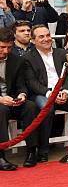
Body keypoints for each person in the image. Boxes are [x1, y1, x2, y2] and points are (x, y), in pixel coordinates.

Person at [23, 24, 68, 161]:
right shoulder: (27, 58)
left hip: (64, 90)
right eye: (41, 37)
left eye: (48, 35)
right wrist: (50, 94)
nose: (46, 39)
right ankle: (43, 150)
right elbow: (31, 82)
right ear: (33, 40)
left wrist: (65, 90)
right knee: (46, 108)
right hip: (43, 93)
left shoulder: (63, 54)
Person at [0, 27, 39, 170]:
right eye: (2, 47)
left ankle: (31, 151)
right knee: (1, 110)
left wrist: (22, 95)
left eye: (9, 47)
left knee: (30, 106)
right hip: (1, 104)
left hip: (12, 101)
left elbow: (21, 85)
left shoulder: (17, 60)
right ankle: (1, 155)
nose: (5, 51)